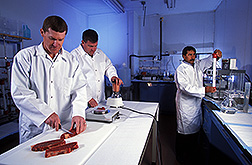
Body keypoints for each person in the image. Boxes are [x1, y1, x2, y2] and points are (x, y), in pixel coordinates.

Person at [11, 15, 88, 143]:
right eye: (52, 38)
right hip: (35, 128)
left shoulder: (71, 61)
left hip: (64, 127)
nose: (55, 44)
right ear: (42, 32)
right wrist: (45, 113)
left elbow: (79, 89)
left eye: (60, 39)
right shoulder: (25, 57)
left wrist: (79, 113)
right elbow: (20, 92)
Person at [174, 46, 222, 164]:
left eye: (194, 54)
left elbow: (208, 61)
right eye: (189, 55)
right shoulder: (181, 69)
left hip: (196, 104)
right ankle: (180, 156)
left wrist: (215, 56)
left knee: (195, 131)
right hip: (186, 104)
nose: (192, 57)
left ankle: (191, 154)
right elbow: (185, 88)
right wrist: (205, 90)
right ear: (184, 56)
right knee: (184, 132)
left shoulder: (198, 65)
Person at [71, 29, 123, 107]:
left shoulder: (100, 53)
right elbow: (76, 80)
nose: (94, 49)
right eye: (90, 46)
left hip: (101, 101)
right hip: (84, 103)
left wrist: (113, 76)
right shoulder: (74, 56)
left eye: (95, 46)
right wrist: (88, 98)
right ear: (83, 42)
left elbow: (108, 66)